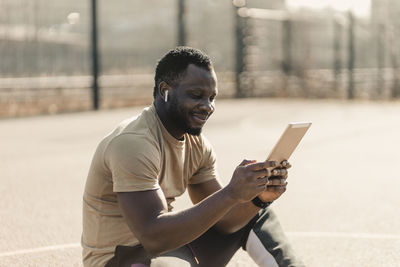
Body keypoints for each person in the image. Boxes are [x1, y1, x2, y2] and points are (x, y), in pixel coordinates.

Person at [82, 46, 304, 267]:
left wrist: (257, 198)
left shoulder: (196, 144)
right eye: (196, 96)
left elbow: (225, 221)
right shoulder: (134, 143)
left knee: (253, 213)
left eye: (212, 97)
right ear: (164, 91)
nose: (207, 107)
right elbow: (153, 237)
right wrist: (231, 193)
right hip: (121, 259)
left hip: (168, 250)